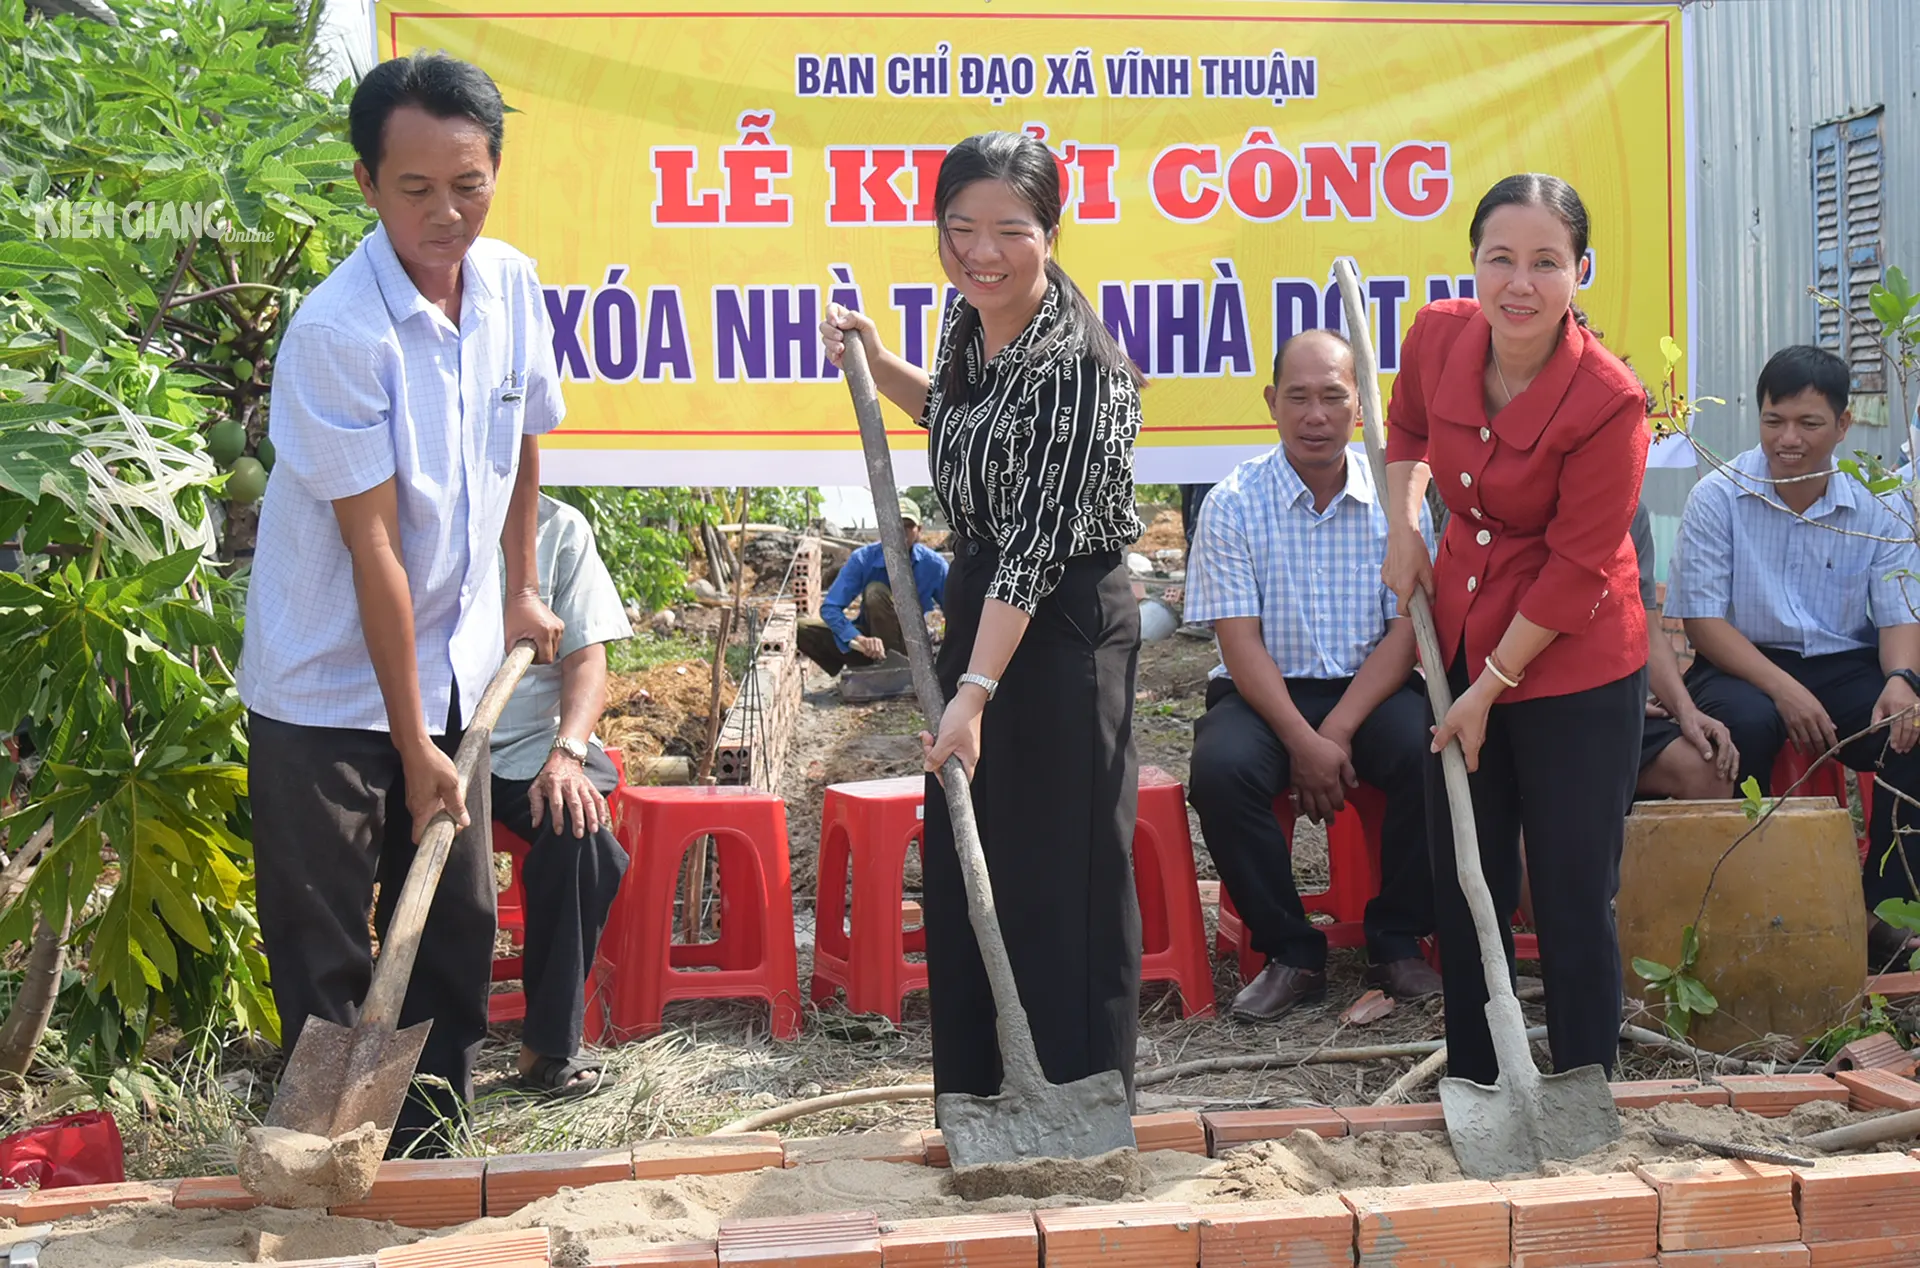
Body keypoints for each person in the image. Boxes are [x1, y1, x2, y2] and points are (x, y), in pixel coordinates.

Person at [239, 52, 567, 1153]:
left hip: (456, 666)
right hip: (327, 682)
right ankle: (324, 1147)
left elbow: (523, 441)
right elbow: (373, 547)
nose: (446, 212)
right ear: (368, 184)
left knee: (456, 922)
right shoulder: (341, 333)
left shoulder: (512, 283)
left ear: (496, 170)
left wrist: (522, 585)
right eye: (416, 189)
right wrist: (406, 738)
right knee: (326, 934)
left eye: (468, 184)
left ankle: (430, 1141)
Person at [818, 131, 1145, 1106]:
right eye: (960, 229)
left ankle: (1079, 1098)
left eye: (1009, 229)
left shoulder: (1078, 364)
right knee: (975, 860)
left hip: (1061, 625)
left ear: (1053, 228)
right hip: (985, 610)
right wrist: (879, 364)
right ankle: (983, 1091)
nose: (981, 252)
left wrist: (974, 692)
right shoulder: (972, 323)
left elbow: (1040, 548)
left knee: (1060, 872)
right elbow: (960, 426)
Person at [1382, 174, 1649, 1086]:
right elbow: (1407, 433)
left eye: (1546, 262)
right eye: (1501, 258)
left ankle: (1583, 1080)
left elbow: (1578, 565)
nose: (1520, 283)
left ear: (1583, 272)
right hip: (1457, 633)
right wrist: (1404, 528)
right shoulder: (1438, 336)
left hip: (1575, 658)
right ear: (1474, 264)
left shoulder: (1610, 401)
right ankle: (1481, 1077)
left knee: (1572, 890)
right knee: (1469, 876)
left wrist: (1488, 692)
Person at [1186, 330, 1442, 1021]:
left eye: (1333, 396)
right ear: (1272, 403)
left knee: (1433, 753)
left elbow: (1407, 634)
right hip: (1264, 691)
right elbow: (1239, 644)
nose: (1316, 415)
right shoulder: (1233, 501)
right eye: (1297, 397)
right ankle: (1293, 951)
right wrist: (1303, 741)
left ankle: (1397, 937)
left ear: (1361, 405)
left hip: (1372, 689)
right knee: (1220, 769)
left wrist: (1335, 731)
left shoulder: (1400, 504)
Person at [1665, 344, 1920, 966]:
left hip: (1843, 664)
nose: (1789, 439)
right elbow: (1703, 620)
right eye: (1774, 420)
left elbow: (1898, 613)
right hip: (1741, 662)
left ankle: (1879, 917)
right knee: (1742, 726)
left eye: (1809, 424)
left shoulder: (1878, 504)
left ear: (1842, 425)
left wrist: (1902, 678)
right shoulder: (1718, 496)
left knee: (1906, 728)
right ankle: (1746, 904)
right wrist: (1783, 687)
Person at [489, 493, 633, 1098]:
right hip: (431, 742)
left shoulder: (559, 528)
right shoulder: (420, 514)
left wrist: (569, 751)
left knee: (584, 838)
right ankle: (423, 1041)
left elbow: (586, 660)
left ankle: (545, 1049)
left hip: (533, 748)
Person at [1632, 501, 1739, 801]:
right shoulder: (1512, 505)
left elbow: (1644, 631)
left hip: (1608, 708)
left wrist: (1686, 711)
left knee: (1707, 767)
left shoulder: (1627, 510)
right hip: (1525, 701)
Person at [795, 496, 947, 676]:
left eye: (908, 526)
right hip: (870, 646)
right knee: (801, 628)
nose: (901, 532)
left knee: (876, 591)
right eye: (894, 525)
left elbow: (956, 611)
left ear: (919, 530)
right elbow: (830, 607)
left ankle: (897, 668)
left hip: (915, 646)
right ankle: (874, 665)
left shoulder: (934, 565)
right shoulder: (863, 559)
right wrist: (859, 639)